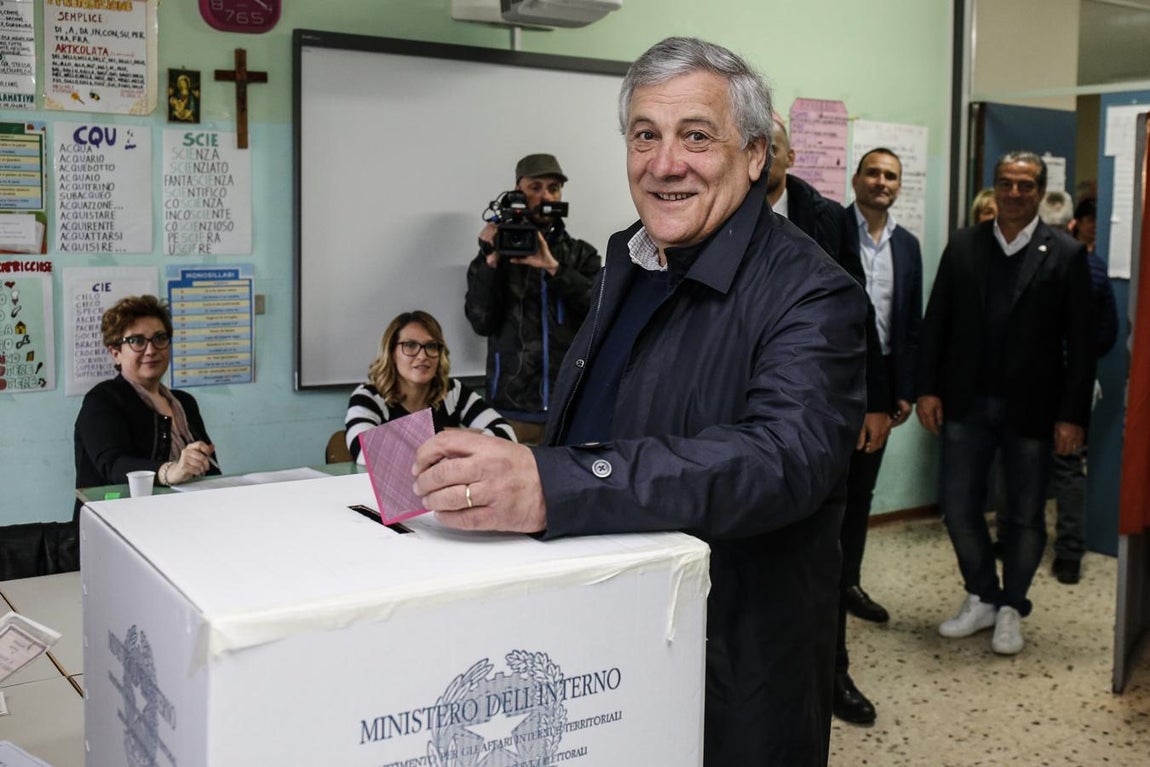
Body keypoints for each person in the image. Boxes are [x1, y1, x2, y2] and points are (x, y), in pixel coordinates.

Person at [414, 37, 867, 765]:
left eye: (696, 136)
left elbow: (784, 459)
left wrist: (556, 483)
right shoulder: (627, 256)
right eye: (644, 136)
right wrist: (523, 470)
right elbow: (614, 421)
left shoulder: (812, 292)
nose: (665, 164)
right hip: (604, 646)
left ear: (755, 156)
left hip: (730, 668)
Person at [918, 151, 1095, 655]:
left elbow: (1081, 347)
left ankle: (1013, 605)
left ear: (1040, 192)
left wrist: (1072, 416)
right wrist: (928, 387)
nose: (1014, 194)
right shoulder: (964, 246)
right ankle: (983, 594)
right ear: (994, 189)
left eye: (1025, 186)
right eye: (1005, 184)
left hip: (1033, 412)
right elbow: (937, 325)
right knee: (958, 508)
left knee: (1023, 515)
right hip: (966, 405)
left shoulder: (1064, 253)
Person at [766, 117, 892, 725]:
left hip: (823, 414)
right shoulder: (709, 211)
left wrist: (875, 399)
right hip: (748, 415)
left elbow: (858, 310)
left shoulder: (827, 217)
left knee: (826, 554)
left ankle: (834, 673)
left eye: (773, 142)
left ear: (789, 153)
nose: (762, 152)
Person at [832, 146, 925, 725]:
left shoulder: (908, 246)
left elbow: (909, 323)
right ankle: (828, 589)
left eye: (891, 175)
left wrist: (903, 390)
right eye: (874, 172)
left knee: (861, 497)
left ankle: (850, 585)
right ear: (856, 179)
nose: (882, 182)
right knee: (830, 497)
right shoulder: (831, 229)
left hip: (884, 383)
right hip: (834, 383)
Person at [464, 154, 602, 444]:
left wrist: (553, 268)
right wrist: (492, 263)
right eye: (535, 187)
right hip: (511, 410)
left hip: (571, 406)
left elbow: (600, 312)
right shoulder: (491, 257)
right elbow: (481, 322)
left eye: (553, 188)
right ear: (518, 191)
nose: (545, 196)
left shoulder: (581, 255)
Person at [74, 295, 219, 518]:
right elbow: (113, 465)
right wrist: (169, 471)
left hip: (184, 517)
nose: (151, 350)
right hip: (117, 524)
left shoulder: (185, 402)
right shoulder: (103, 400)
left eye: (159, 338)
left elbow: (212, 471)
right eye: (137, 341)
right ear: (116, 353)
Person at [344, 310, 515, 461]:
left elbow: (506, 436)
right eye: (410, 345)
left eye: (431, 346)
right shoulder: (368, 396)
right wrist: (452, 434)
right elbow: (365, 452)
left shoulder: (453, 392)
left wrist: (401, 441)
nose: (422, 356)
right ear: (391, 352)